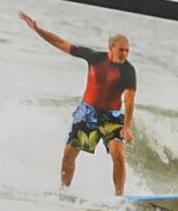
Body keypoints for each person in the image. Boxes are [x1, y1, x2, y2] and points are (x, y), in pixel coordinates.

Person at [23, 12, 137, 195]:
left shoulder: (128, 71)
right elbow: (62, 43)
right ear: (111, 47)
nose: (124, 54)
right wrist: (37, 29)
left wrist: (127, 127)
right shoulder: (94, 58)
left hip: (112, 116)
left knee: (118, 153)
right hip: (88, 112)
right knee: (69, 153)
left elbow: (129, 101)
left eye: (127, 51)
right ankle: (64, 191)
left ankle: (119, 197)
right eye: (121, 50)